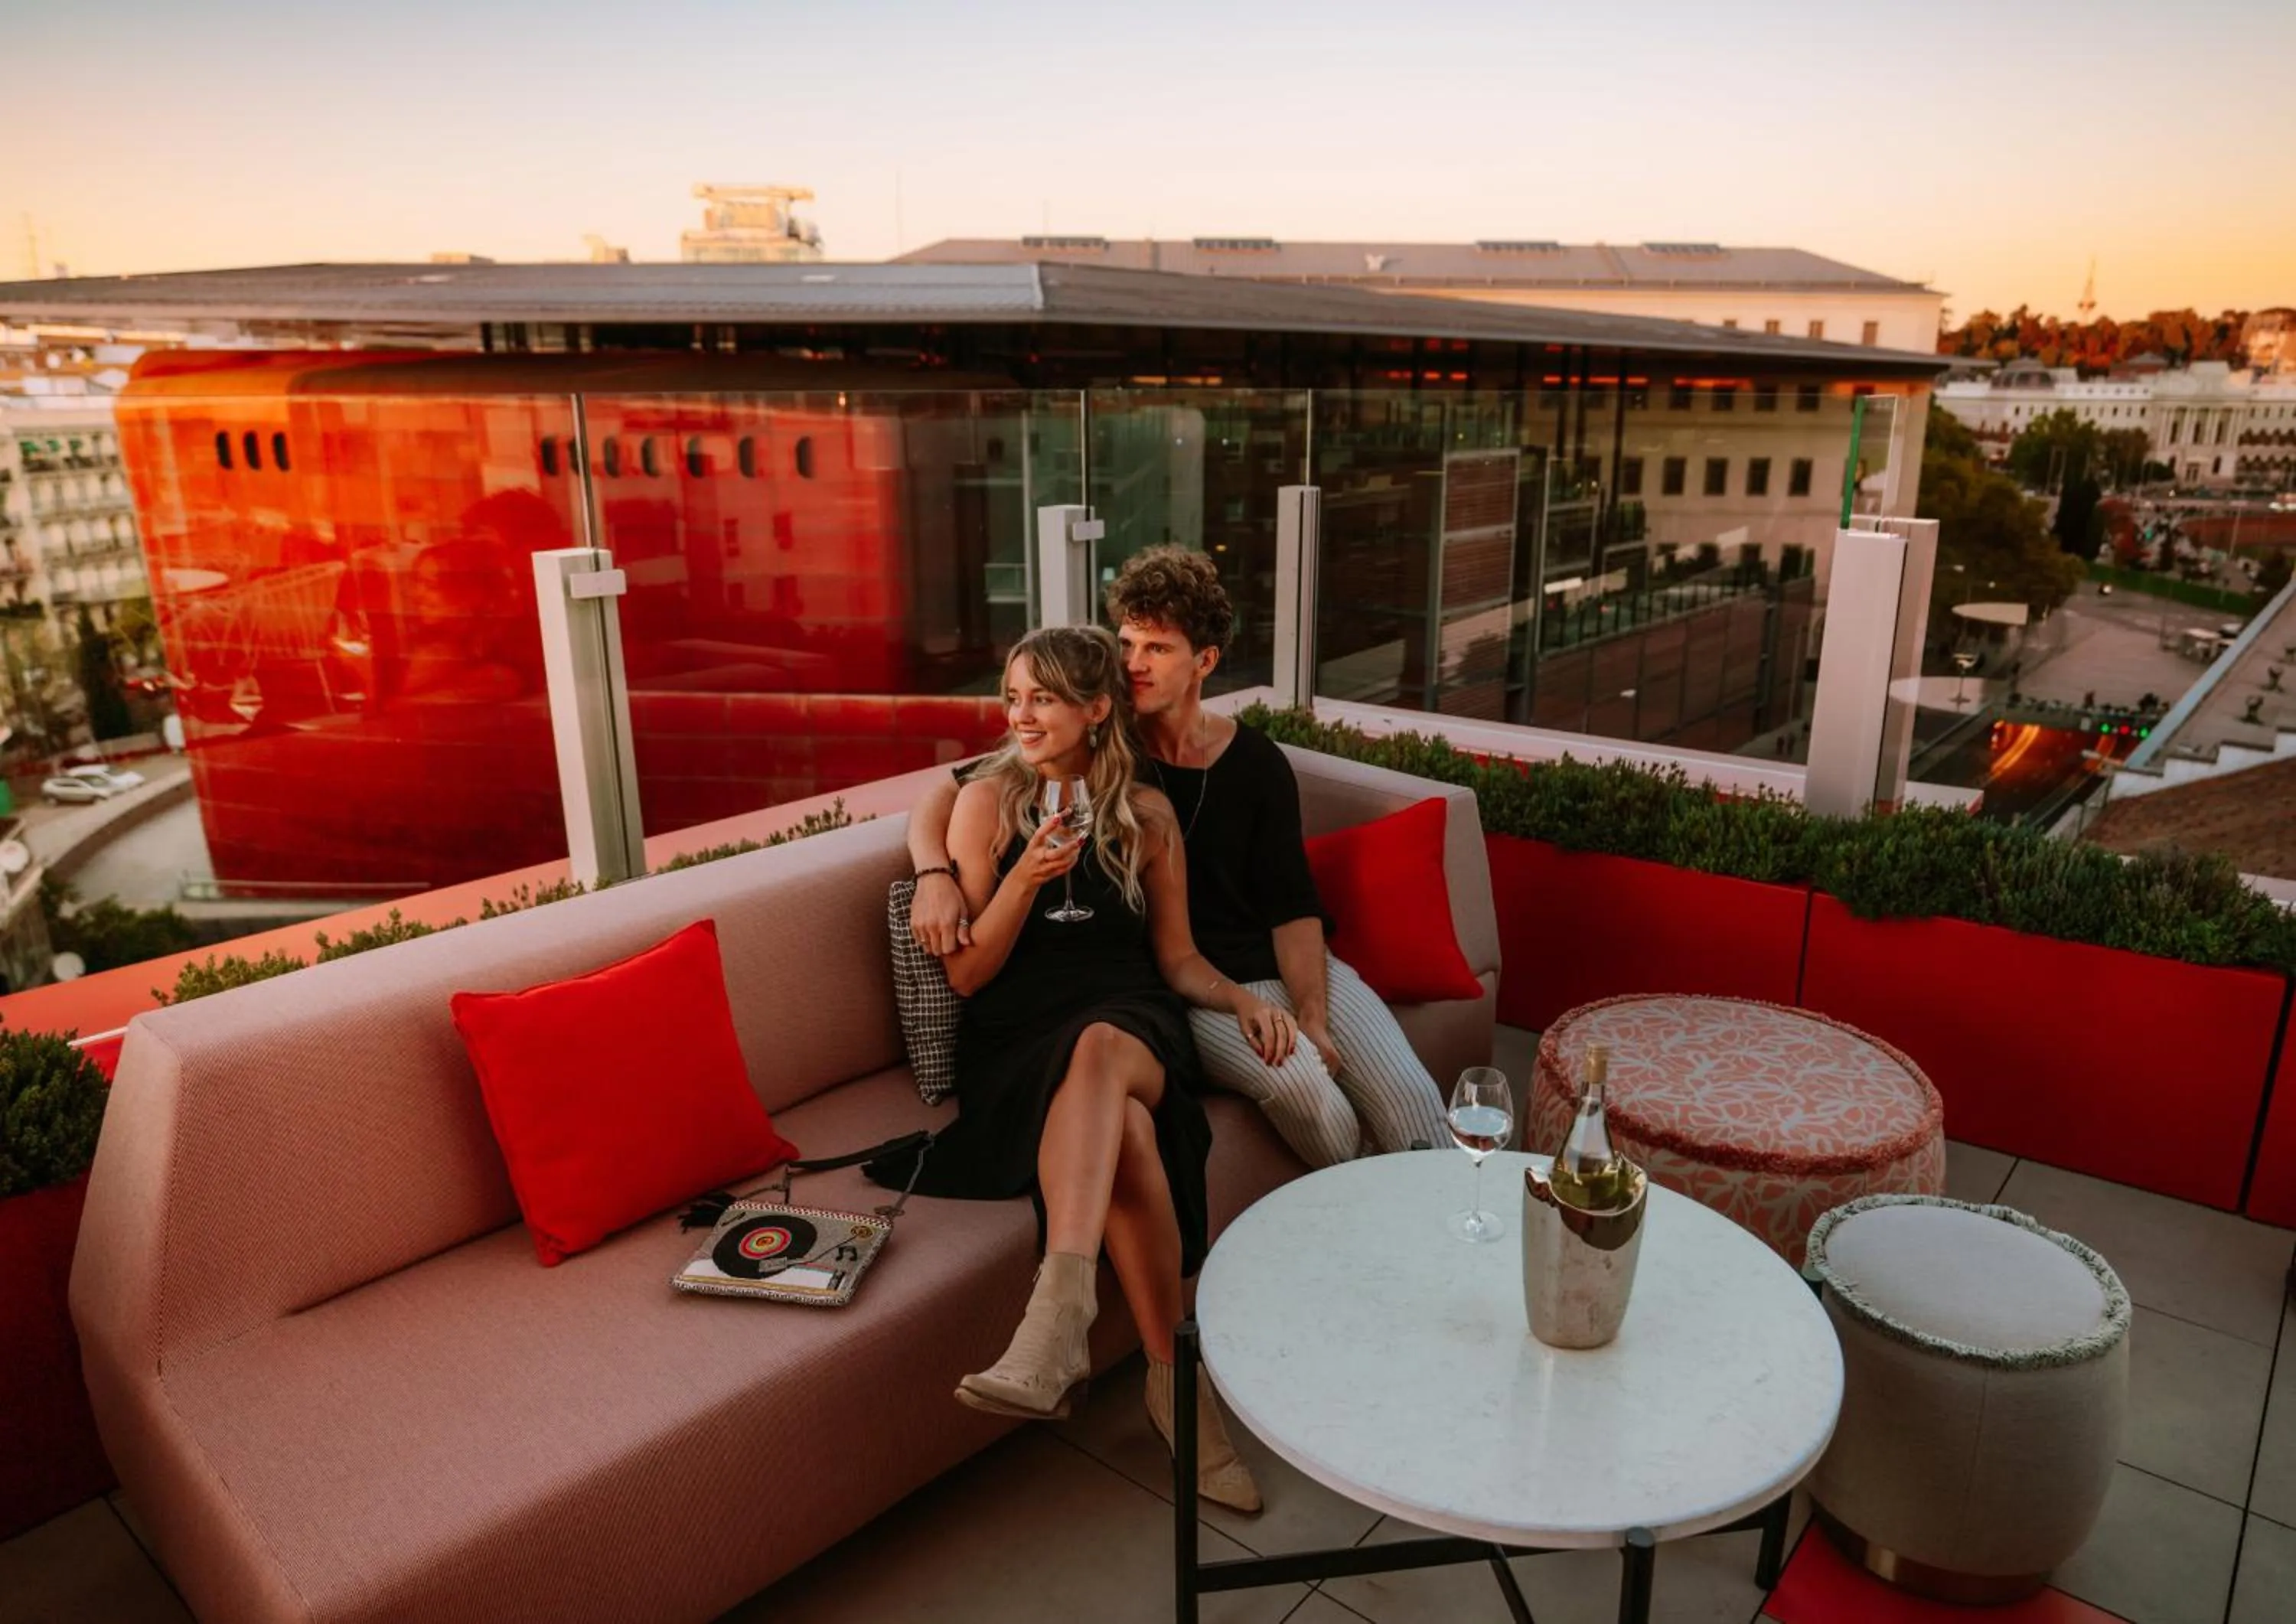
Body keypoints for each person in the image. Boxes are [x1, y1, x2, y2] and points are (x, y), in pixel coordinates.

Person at [872, 624, 1280, 1514]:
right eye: (1013, 695)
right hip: (1018, 1040)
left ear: (1097, 711)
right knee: (1127, 1128)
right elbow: (972, 976)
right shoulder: (986, 806)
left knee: (1100, 1046)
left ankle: (1056, 1323)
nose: (1020, 714)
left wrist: (1241, 998)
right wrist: (1020, 880)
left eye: (1043, 698)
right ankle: (1179, 1387)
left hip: (1132, 1021)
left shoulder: (1148, 814)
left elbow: (1173, 959)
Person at [907, 547, 1450, 1169]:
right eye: (1128, 644)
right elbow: (946, 791)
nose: (1134, 665)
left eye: (1157, 649)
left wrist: (1313, 1015)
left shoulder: (1256, 764)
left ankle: (1443, 1221)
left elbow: (1292, 905)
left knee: (1410, 1097)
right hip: (1184, 986)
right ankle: (1376, 1197)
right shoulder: (1098, 748)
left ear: (1205, 661)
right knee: (1298, 1079)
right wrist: (932, 875)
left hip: (1280, 966)